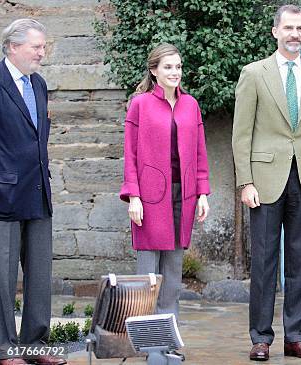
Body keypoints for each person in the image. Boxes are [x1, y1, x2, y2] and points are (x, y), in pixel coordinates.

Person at [232, 4, 301, 361]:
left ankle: (296, 337)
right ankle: (261, 338)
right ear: (275, 31)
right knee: (263, 262)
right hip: (264, 181)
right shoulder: (254, 73)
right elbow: (241, 134)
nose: (295, 34)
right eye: (289, 28)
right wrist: (245, 181)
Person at [119, 43, 210, 328]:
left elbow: (199, 152)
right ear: (154, 71)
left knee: (173, 270)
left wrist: (203, 192)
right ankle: (147, 337)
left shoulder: (190, 104)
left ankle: (167, 336)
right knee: (148, 271)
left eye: (179, 67)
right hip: (148, 196)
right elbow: (130, 154)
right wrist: (133, 195)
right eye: (168, 67)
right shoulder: (140, 104)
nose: (175, 72)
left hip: (183, 195)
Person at [0, 19, 66, 365]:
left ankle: (35, 345)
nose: (42, 52)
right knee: (2, 276)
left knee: (39, 274)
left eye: (43, 47)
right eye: (36, 46)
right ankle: (4, 349)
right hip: (4, 195)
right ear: (13, 46)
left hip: (39, 192)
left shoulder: (38, 84)